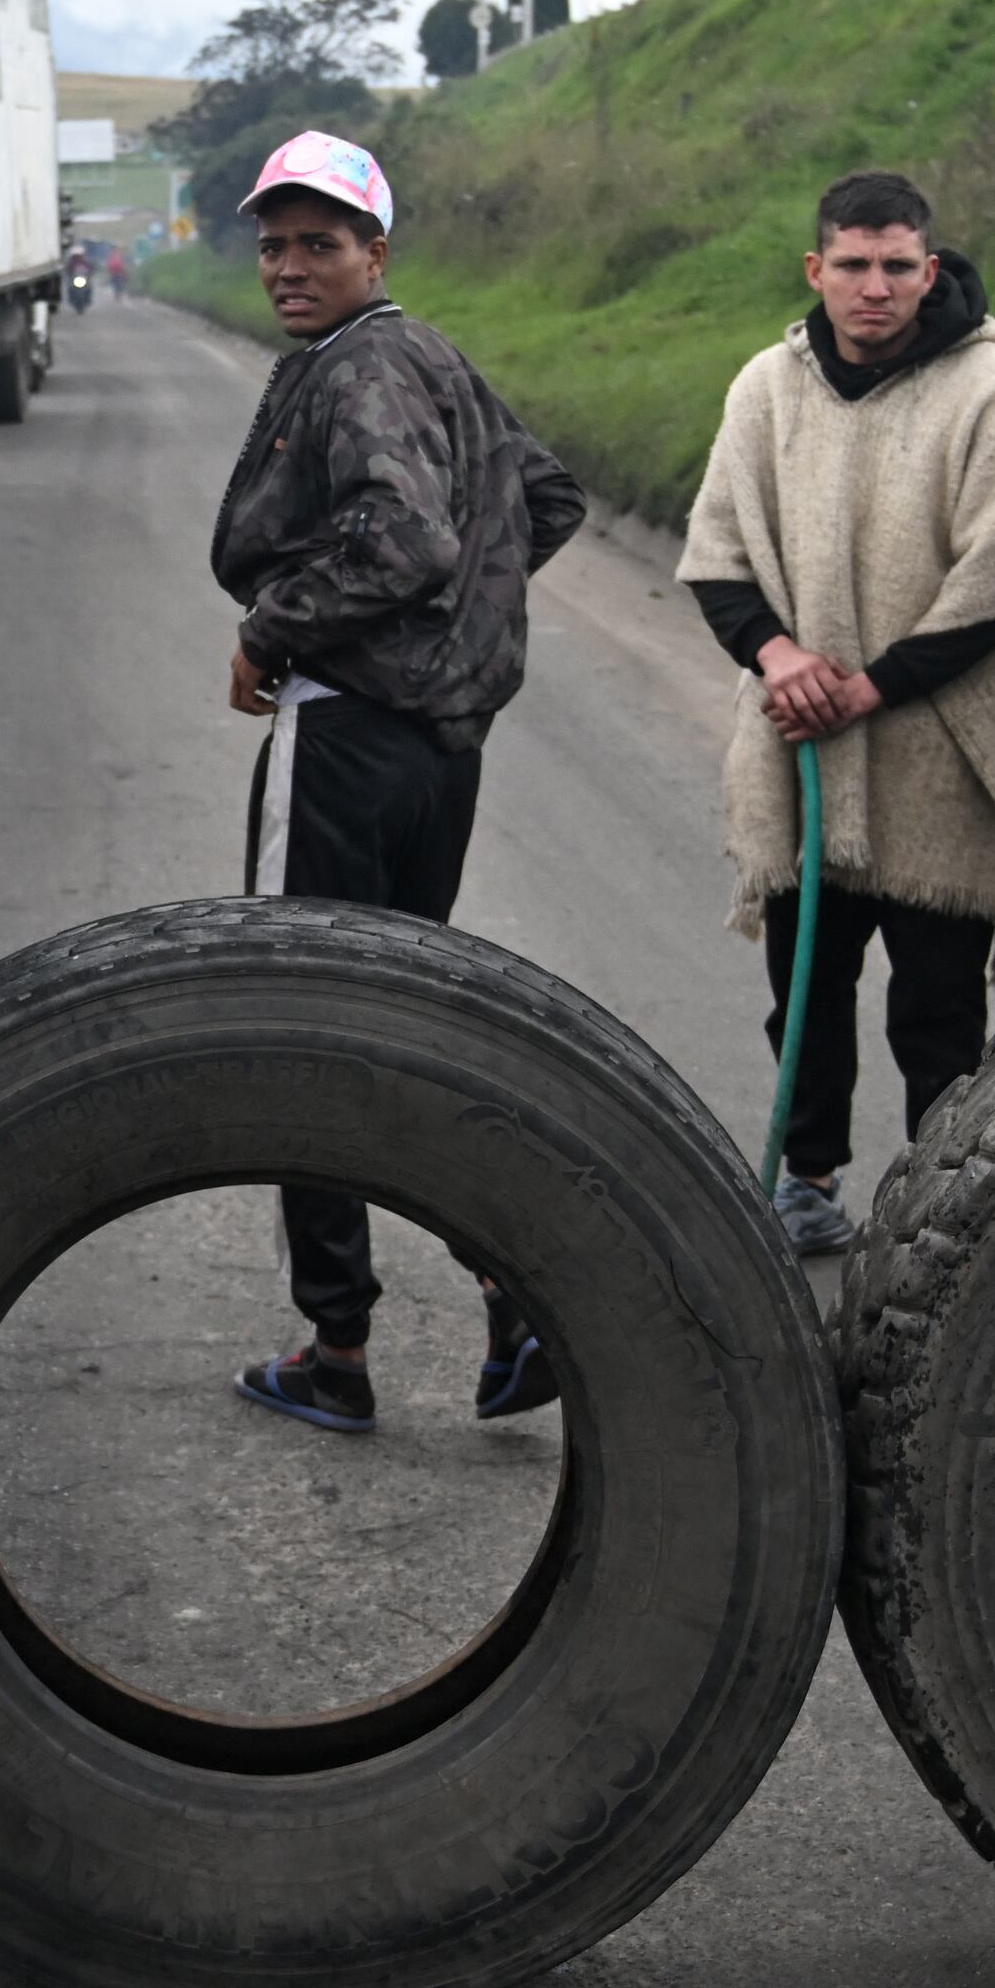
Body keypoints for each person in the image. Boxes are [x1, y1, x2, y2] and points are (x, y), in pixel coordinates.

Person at [206, 128, 588, 1431]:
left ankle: (339, 1348)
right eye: (275, 243)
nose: (291, 265)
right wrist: (454, 635)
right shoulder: (433, 356)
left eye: (321, 242)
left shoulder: (360, 364)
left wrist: (279, 627)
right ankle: (509, 1280)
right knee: (405, 1027)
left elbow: (411, 533)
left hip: (349, 742)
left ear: (377, 250)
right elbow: (542, 501)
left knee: (303, 1028)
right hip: (438, 752)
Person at [678, 170, 995, 1257]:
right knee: (804, 991)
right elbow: (718, 553)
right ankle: (807, 1183)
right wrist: (781, 659)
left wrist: (872, 685)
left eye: (894, 268)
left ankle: (942, 1203)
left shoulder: (993, 391)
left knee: (936, 1006)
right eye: (850, 265)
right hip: (801, 751)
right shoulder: (764, 389)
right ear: (814, 270)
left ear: (928, 270)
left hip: (943, 752)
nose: (872, 288)